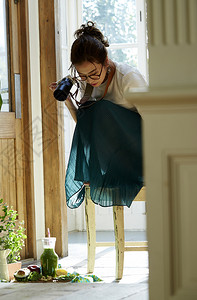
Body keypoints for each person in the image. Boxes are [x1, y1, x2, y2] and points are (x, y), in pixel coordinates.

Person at [49, 21, 148, 209]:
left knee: (101, 108)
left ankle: (99, 172)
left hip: (143, 151)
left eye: (93, 73)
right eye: (83, 76)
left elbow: (156, 123)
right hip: (117, 155)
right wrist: (68, 101)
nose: (89, 80)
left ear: (106, 60)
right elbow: (87, 128)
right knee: (93, 112)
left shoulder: (128, 78)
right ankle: (93, 173)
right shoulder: (90, 86)